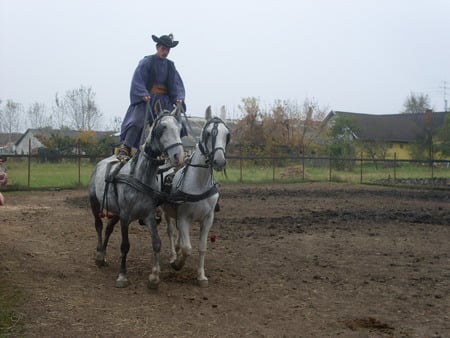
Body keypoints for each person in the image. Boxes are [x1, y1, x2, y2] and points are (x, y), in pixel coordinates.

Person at [118, 33, 186, 160]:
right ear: (157, 47)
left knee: (175, 124)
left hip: (164, 101)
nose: (165, 52)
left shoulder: (171, 67)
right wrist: (143, 93)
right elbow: (137, 80)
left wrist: (179, 98)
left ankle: (174, 151)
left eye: (167, 50)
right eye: (163, 49)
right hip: (148, 100)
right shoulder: (146, 62)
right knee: (137, 121)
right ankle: (126, 147)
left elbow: (177, 85)